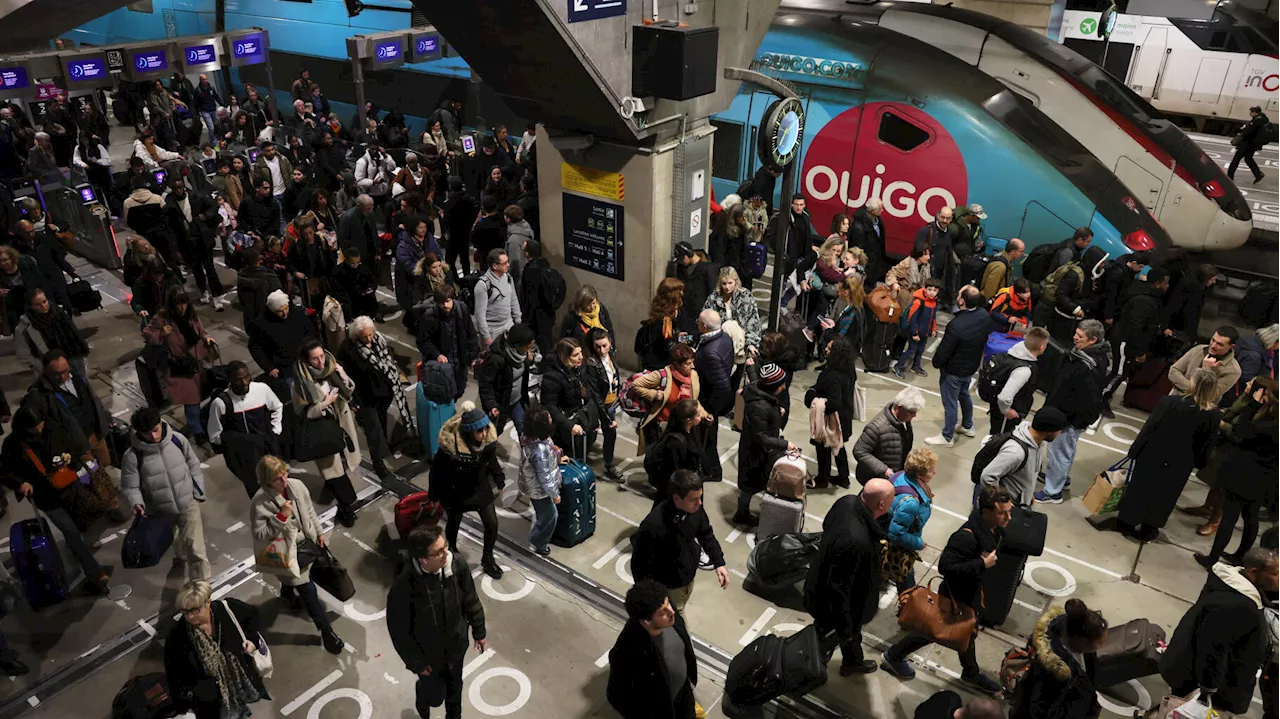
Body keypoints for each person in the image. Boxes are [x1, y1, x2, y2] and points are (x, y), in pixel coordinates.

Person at [880, 485, 1011, 694]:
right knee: (933, 630)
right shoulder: (966, 537)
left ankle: (970, 672)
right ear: (986, 512)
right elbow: (946, 567)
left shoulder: (991, 531)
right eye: (1003, 512)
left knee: (966, 632)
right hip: (955, 595)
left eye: (1009, 511)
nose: (1008, 517)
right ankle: (893, 656)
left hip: (970, 594)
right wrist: (981, 564)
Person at [0, 403, 111, 595]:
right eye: (35, 427)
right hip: (46, 497)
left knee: (79, 526)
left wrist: (72, 459)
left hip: (71, 487)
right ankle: (95, 574)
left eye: (41, 424)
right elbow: (4, 472)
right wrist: (21, 484)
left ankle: (76, 549)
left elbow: (72, 447)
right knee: (71, 532)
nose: (40, 429)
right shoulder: (13, 444)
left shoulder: (53, 428)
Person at [1161, 547, 1279, 715]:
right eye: (1275, 574)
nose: (1279, 578)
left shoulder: (1228, 583)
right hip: (1204, 683)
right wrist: (1208, 689)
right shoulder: (1239, 606)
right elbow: (1213, 650)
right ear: (1254, 571)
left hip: (1193, 668)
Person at [387, 524, 487, 719]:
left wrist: (479, 631)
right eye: (439, 552)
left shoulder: (456, 564)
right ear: (423, 559)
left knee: (455, 692)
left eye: (446, 546)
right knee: (435, 698)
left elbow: (470, 599)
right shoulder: (404, 587)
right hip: (428, 657)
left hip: (456, 647)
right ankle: (423, 696)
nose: (446, 553)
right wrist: (417, 664)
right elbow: (399, 631)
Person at [1115, 369, 1220, 543]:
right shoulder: (1213, 415)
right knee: (1165, 496)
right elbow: (1206, 444)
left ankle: (1127, 522)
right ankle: (1150, 528)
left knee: (1140, 488)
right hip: (1181, 463)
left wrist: (1135, 449)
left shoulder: (1170, 402)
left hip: (1153, 453)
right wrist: (1199, 463)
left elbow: (1150, 427)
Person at [805, 479, 895, 676]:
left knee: (843, 635)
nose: (894, 501)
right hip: (834, 606)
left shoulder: (846, 502)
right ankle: (809, 671)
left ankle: (853, 661)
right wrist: (846, 627)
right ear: (881, 505)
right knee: (826, 639)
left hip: (821, 584)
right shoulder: (856, 542)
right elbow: (840, 591)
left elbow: (827, 524)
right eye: (892, 498)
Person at [1196, 381, 1280, 567]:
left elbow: (1241, 430)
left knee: (1229, 518)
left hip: (1244, 475)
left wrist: (1253, 405)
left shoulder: (1268, 426)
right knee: (1251, 517)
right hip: (1266, 480)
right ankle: (1241, 556)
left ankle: (1213, 558)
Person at [121, 407, 209, 581]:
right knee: (178, 539)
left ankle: (203, 588)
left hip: (188, 503)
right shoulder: (132, 456)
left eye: (155, 430)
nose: (153, 436)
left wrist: (198, 492)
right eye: (147, 433)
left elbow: (193, 464)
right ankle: (180, 555)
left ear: (161, 423)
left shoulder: (178, 440)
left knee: (197, 550)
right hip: (160, 511)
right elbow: (130, 487)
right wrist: (136, 502)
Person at [165, 579, 269, 719]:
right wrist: (182, 703)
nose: (190, 616)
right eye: (185, 611)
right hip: (210, 697)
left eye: (195, 610)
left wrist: (252, 641)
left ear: (207, 602)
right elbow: (173, 672)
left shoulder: (228, 609)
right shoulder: (177, 636)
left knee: (240, 706)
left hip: (238, 679)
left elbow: (253, 616)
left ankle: (241, 710)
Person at [632, 469, 729, 613]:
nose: (699, 503)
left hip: (687, 577)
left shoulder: (695, 509)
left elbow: (705, 533)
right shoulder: (653, 525)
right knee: (676, 624)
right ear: (677, 498)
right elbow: (639, 564)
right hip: (669, 587)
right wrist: (650, 596)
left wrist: (718, 562)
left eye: (700, 497)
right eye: (693, 499)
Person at [1037, 320, 1111, 503]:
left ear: (1093, 340)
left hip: (1067, 418)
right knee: (1066, 450)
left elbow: (1089, 398)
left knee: (1059, 452)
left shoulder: (1087, 365)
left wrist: (1074, 421)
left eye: (1080, 336)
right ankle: (1061, 479)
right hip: (1069, 417)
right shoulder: (1094, 357)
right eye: (1076, 333)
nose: (1074, 338)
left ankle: (1053, 492)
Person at [430, 401, 504, 579]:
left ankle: (488, 559)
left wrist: (499, 479)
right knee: (453, 524)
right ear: (470, 431)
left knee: (492, 525)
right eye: (480, 431)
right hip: (455, 492)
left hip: (480, 489)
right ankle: (453, 553)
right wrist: (434, 495)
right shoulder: (450, 449)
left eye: (486, 429)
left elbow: (491, 461)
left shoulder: (487, 444)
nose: (484, 433)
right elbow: (437, 471)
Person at [607, 578, 700, 719]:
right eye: (663, 612)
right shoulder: (629, 651)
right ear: (647, 620)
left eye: (668, 603)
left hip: (682, 693)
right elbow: (617, 695)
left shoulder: (669, 614)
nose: (672, 611)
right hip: (660, 709)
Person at [292, 341, 361, 527]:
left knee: (344, 465)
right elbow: (301, 412)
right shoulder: (300, 383)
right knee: (334, 472)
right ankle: (346, 508)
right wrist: (324, 403)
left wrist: (343, 374)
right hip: (323, 431)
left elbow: (349, 389)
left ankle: (344, 505)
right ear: (306, 360)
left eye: (322, 356)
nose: (321, 361)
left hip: (342, 424)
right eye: (315, 358)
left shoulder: (331, 369)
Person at [339, 316, 414, 479]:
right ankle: (378, 463)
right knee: (373, 431)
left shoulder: (379, 340)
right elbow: (345, 377)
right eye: (364, 336)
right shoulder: (348, 349)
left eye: (370, 334)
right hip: (364, 397)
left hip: (383, 394)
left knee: (382, 424)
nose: (368, 339)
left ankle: (385, 447)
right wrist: (351, 399)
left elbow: (389, 363)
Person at [1011, 600, 1108, 719]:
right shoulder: (1052, 672)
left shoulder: (1072, 631)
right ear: (1083, 642)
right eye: (1099, 644)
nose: (1101, 646)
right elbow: (1038, 710)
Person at [927, 286, 997, 447]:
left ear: (962, 301)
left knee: (950, 403)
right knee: (964, 395)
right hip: (971, 367)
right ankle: (968, 425)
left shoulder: (956, 325)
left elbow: (944, 350)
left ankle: (947, 436)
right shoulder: (984, 315)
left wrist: (936, 363)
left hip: (954, 370)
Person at [144, 286, 216, 443]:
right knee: (191, 400)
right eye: (177, 304)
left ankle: (197, 426)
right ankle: (197, 431)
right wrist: (161, 333)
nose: (181, 308)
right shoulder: (162, 318)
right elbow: (147, 334)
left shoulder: (191, 315)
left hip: (194, 361)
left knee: (197, 398)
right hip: (178, 365)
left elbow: (200, 331)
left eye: (183, 303)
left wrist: (207, 338)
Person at [733, 364, 799, 525]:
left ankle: (744, 511)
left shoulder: (757, 392)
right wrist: (785, 444)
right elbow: (761, 437)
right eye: (781, 384)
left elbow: (755, 380)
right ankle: (742, 514)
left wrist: (751, 368)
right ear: (773, 387)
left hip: (757, 450)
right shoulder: (759, 407)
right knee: (750, 485)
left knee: (751, 483)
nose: (784, 387)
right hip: (755, 452)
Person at [24, 349, 113, 468]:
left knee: (105, 462)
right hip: (76, 446)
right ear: (45, 371)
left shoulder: (78, 378)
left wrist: (105, 416)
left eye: (65, 371)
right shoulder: (39, 393)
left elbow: (94, 399)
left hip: (95, 434)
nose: (62, 377)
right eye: (56, 373)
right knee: (92, 475)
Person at [207, 362, 283, 499]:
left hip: (268, 448)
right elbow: (214, 436)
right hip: (246, 459)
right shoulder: (220, 403)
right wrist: (238, 443)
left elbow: (277, 407)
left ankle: (285, 514)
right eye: (239, 379)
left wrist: (275, 431)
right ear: (229, 379)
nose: (245, 382)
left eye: (247, 377)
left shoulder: (262, 389)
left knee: (279, 483)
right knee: (258, 494)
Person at [1101, 267, 1171, 415]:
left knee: (1121, 372)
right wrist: (1139, 351)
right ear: (1157, 284)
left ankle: (1103, 396)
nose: (1167, 286)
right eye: (1165, 283)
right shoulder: (1144, 301)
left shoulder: (1148, 297)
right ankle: (1100, 399)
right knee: (1119, 372)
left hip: (1128, 341)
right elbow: (1136, 326)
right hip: (1124, 341)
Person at [978, 408, 1067, 508]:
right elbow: (988, 476)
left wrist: (1027, 495)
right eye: (1060, 430)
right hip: (1008, 507)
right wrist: (1002, 502)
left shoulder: (1037, 442)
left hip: (1021, 502)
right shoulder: (1016, 452)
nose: (1060, 433)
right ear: (1050, 431)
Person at [634, 343, 710, 451]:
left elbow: (694, 401)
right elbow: (636, 385)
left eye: (692, 362)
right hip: (664, 426)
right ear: (676, 364)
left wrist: (704, 414)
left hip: (683, 427)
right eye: (687, 364)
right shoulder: (662, 376)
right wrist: (654, 394)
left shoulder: (693, 375)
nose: (692, 366)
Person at [807, 336, 858, 489]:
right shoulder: (849, 369)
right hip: (845, 417)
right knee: (839, 446)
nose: (825, 350)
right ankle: (844, 478)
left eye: (829, 349)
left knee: (823, 448)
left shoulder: (834, 376)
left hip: (832, 419)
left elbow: (834, 401)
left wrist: (815, 402)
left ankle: (822, 479)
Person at [884, 448, 938, 590]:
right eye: (931, 471)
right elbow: (896, 534)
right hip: (899, 549)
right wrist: (918, 543)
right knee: (906, 579)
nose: (935, 473)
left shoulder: (899, 475)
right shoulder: (911, 503)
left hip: (886, 533)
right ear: (920, 474)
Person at [249, 290, 316, 398]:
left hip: (304, 360)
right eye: (280, 311)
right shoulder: (261, 324)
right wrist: (269, 367)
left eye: (286, 308)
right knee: (295, 395)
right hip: (284, 368)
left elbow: (310, 333)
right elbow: (255, 347)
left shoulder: (298, 314)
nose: (285, 313)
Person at [416, 284, 478, 401]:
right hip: (443, 366)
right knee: (445, 395)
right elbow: (422, 341)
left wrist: (472, 356)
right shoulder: (429, 316)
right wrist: (437, 355)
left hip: (460, 362)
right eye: (441, 302)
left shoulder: (462, 309)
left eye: (448, 301)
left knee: (459, 390)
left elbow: (471, 334)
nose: (445, 305)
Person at [984, 327, 1049, 437]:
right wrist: (1006, 411)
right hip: (1007, 415)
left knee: (995, 436)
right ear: (1042, 347)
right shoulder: (1023, 370)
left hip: (996, 409)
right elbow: (1004, 397)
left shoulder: (1012, 354)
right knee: (999, 441)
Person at [703, 266, 763, 384]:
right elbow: (705, 316)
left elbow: (753, 321)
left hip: (741, 340)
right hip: (720, 340)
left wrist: (751, 343)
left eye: (730, 283)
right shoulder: (714, 298)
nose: (727, 287)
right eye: (724, 283)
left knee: (730, 325)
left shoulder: (746, 297)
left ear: (736, 282)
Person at [517, 404, 564, 555]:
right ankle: (539, 541)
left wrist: (557, 458)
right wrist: (555, 494)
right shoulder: (539, 451)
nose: (551, 417)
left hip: (536, 486)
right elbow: (545, 477)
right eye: (548, 417)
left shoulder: (532, 438)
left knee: (545, 513)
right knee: (550, 516)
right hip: (539, 490)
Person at [693, 310, 734, 480]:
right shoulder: (725, 338)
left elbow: (722, 387)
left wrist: (711, 410)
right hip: (712, 402)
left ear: (704, 326)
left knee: (706, 441)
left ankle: (712, 472)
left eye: (698, 322)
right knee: (708, 439)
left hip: (707, 403)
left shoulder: (710, 353)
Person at [581, 327, 625, 483]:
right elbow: (595, 394)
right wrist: (606, 417)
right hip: (597, 405)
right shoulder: (592, 364)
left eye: (604, 345)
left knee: (610, 435)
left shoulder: (611, 355)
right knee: (589, 432)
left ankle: (608, 465)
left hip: (609, 403)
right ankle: (582, 462)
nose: (602, 349)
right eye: (598, 346)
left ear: (610, 342)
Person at [853, 387, 922, 486]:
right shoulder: (876, 427)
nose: (914, 415)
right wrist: (884, 470)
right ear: (899, 407)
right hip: (876, 478)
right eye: (911, 412)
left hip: (893, 476)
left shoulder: (904, 421)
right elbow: (859, 451)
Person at [14, 288, 89, 378]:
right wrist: (42, 366)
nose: (44, 306)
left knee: (82, 387)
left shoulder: (60, 314)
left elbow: (74, 336)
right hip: (52, 369)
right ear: (30, 306)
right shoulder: (24, 328)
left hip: (74, 359)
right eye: (38, 304)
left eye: (44, 301)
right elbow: (23, 354)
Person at [476, 323, 536, 434]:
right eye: (527, 346)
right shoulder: (496, 359)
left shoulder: (523, 354)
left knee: (524, 431)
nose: (529, 349)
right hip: (500, 403)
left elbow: (525, 366)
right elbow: (485, 384)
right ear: (517, 345)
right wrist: (491, 405)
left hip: (517, 400)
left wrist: (530, 360)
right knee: (494, 432)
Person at [1169, 327, 1242, 405]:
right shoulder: (1198, 349)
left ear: (1231, 347)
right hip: (1174, 399)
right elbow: (1173, 371)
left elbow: (1211, 396)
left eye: (1219, 344)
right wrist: (1192, 389)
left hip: (1199, 408)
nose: (1213, 345)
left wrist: (1206, 371)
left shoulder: (1233, 371)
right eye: (1213, 340)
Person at [894, 278, 942, 379]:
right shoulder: (919, 302)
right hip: (916, 333)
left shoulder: (933, 302)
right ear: (925, 289)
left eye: (935, 290)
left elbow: (933, 318)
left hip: (925, 332)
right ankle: (898, 366)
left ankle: (916, 366)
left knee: (920, 350)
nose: (932, 293)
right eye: (930, 289)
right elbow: (912, 319)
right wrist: (914, 333)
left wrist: (933, 329)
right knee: (911, 350)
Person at [635, 278, 687, 371]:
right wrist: (684, 343)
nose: (682, 294)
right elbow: (669, 347)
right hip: (661, 368)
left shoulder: (659, 316)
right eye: (680, 292)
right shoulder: (666, 322)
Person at [474, 249, 522, 347]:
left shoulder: (508, 278)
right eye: (504, 263)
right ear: (495, 266)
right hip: (493, 331)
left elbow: (514, 300)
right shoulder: (482, 285)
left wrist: (518, 322)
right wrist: (486, 337)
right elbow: (479, 315)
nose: (508, 265)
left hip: (509, 326)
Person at [516, 242, 559, 352]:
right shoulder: (545, 264)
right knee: (548, 342)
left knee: (543, 345)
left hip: (537, 317)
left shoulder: (530, 269)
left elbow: (530, 296)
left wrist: (526, 318)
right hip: (548, 314)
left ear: (526, 254)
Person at [668, 242, 718, 336]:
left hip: (700, 316)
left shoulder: (707, 268)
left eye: (682, 259)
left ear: (689, 255)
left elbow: (712, 293)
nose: (681, 262)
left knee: (697, 340)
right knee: (684, 341)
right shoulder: (681, 269)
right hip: (685, 316)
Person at [1164, 263, 1217, 339]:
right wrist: (1165, 326)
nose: (1214, 282)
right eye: (1212, 279)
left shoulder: (1195, 284)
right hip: (1181, 324)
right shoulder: (1191, 288)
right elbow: (1175, 305)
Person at [440, 177, 477, 276]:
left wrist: (443, 217)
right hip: (465, 232)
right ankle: (467, 277)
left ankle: (455, 279)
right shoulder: (469, 199)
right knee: (465, 258)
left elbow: (446, 221)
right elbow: (474, 211)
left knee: (449, 260)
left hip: (453, 235)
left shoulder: (449, 202)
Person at [850, 198, 889, 283]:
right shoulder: (859, 226)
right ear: (872, 210)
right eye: (879, 208)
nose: (882, 210)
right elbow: (858, 249)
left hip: (876, 264)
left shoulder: (878, 221)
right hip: (867, 266)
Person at [1228, 105, 1269, 184]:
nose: (1250, 113)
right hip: (1254, 144)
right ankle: (1258, 174)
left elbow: (1249, 131)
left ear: (1255, 112)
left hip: (1248, 143)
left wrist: (1243, 129)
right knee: (1248, 159)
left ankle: (1230, 175)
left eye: (1251, 111)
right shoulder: (1264, 119)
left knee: (1236, 159)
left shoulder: (1257, 120)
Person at [886, 246, 933, 315]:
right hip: (905, 296)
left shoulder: (926, 266)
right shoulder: (906, 263)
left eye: (929, 255)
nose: (928, 257)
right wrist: (894, 284)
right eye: (925, 255)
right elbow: (892, 273)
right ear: (918, 254)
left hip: (917, 297)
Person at [337, 194, 379, 267]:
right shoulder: (347, 218)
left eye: (371, 208)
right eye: (367, 209)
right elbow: (343, 240)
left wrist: (378, 249)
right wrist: (351, 259)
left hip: (371, 253)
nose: (370, 211)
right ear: (359, 207)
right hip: (357, 256)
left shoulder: (370, 214)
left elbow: (374, 232)